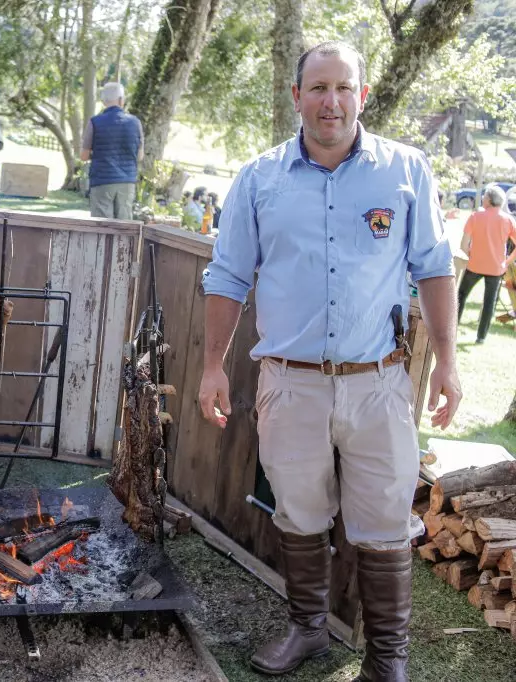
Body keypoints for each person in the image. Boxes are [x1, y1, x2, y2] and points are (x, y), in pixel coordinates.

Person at [198, 41, 460, 681]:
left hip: (379, 385)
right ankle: (308, 629)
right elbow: (228, 276)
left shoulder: (405, 171)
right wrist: (211, 366)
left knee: (384, 522)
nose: (331, 101)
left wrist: (449, 364)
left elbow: (434, 269)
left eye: (344, 87)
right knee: (299, 513)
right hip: (290, 385)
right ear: (297, 97)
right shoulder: (259, 178)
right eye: (318, 88)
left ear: (361, 96)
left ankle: (387, 660)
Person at [457, 185, 516, 343]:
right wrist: (506, 261)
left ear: (489, 199)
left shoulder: (475, 217)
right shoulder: (508, 220)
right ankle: (481, 337)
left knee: (461, 296)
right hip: (496, 268)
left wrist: (470, 255)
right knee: (489, 303)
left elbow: (463, 244)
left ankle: (453, 328)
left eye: (484, 196)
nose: (482, 198)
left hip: (474, 265)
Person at [80, 82, 143, 220]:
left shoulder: (94, 122)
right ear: (121, 100)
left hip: (102, 181)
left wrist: (97, 153)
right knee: (124, 228)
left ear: (103, 101)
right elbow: (139, 156)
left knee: (102, 227)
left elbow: (84, 156)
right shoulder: (135, 123)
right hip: (127, 182)